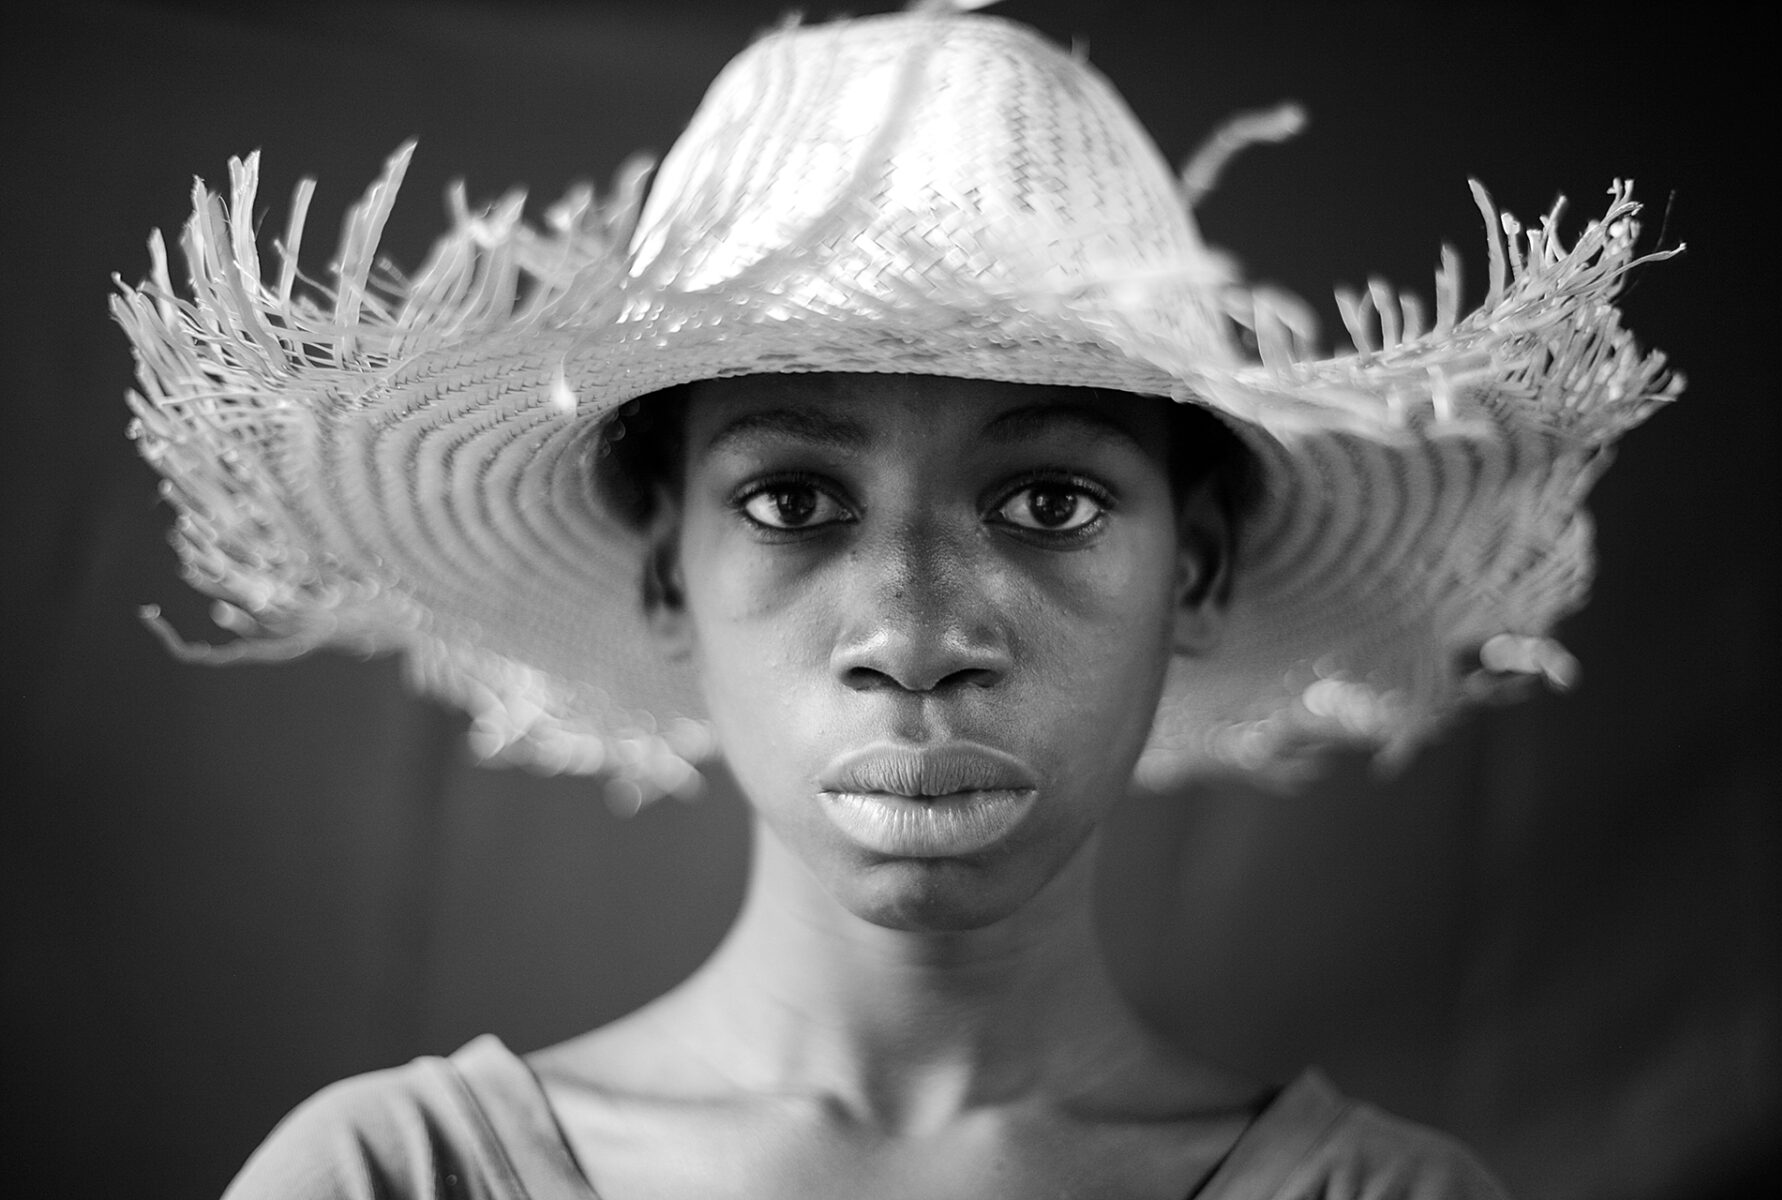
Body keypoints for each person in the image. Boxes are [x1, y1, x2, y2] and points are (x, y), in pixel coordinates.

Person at [112, 3, 1680, 1197]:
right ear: (672, 564)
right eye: (794, 501)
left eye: (1049, 503)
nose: (918, 636)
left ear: (1189, 565)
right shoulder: (396, 1176)